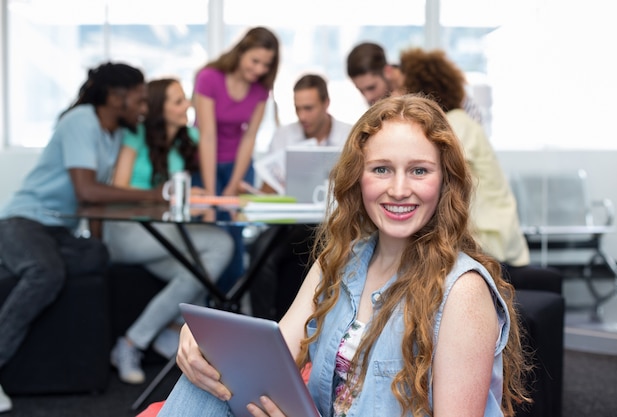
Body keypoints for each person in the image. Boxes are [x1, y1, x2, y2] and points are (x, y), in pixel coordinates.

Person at [156, 95, 531, 417]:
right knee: (203, 382)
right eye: (381, 169)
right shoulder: (339, 262)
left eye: (419, 171)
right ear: (358, 178)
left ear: (444, 181)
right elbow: (270, 356)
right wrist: (203, 344)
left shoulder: (463, 292)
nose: (399, 190)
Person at [0, 62, 163, 412]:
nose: (143, 108)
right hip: (23, 221)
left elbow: (92, 207)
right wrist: (151, 195)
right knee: (46, 272)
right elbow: (87, 190)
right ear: (116, 97)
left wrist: (99, 246)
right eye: (138, 99)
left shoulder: (114, 134)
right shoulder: (81, 121)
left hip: (61, 229)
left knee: (99, 258)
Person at [103, 78, 235, 385]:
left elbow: (183, 190)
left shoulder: (186, 138)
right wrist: (166, 196)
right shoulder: (135, 135)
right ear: (158, 109)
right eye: (177, 101)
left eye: (185, 99)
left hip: (161, 237)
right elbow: (119, 189)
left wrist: (197, 196)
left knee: (199, 270)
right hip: (127, 232)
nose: (187, 106)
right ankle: (170, 332)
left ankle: (133, 343)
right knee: (218, 246)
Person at [399, 47, 530, 269]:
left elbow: (437, 177)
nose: (399, 96)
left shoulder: (456, 124)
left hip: (491, 242)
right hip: (491, 237)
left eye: (402, 89)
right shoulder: (459, 122)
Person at [247, 73, 353, 320]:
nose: (302, 116)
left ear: (326, 104)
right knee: (260, 252)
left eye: (309, 108)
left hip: (333, 223)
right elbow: (267, 188)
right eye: (297, 109)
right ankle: (264, 326)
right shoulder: (285, 135)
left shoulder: (349, 135)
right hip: (289, 224)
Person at [192, 26, 280, 291]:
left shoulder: (260, 90)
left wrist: (232, 186)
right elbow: (206, 135)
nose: (259, 69)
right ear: (241, 51)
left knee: (235, 235)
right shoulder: (208, 77)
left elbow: (249, 138)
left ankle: (229, 304)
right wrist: (210, 192)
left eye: (266, 65)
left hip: (239, 168)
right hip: (205, 163)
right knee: (210, 233)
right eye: (255, 61)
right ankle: (207, 303)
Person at [346, 42, 484, 124]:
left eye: (371, 87)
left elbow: (466, 121)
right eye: (361, 90)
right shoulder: (383, 100)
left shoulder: (430, 77)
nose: (368, 97)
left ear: (387, 71)